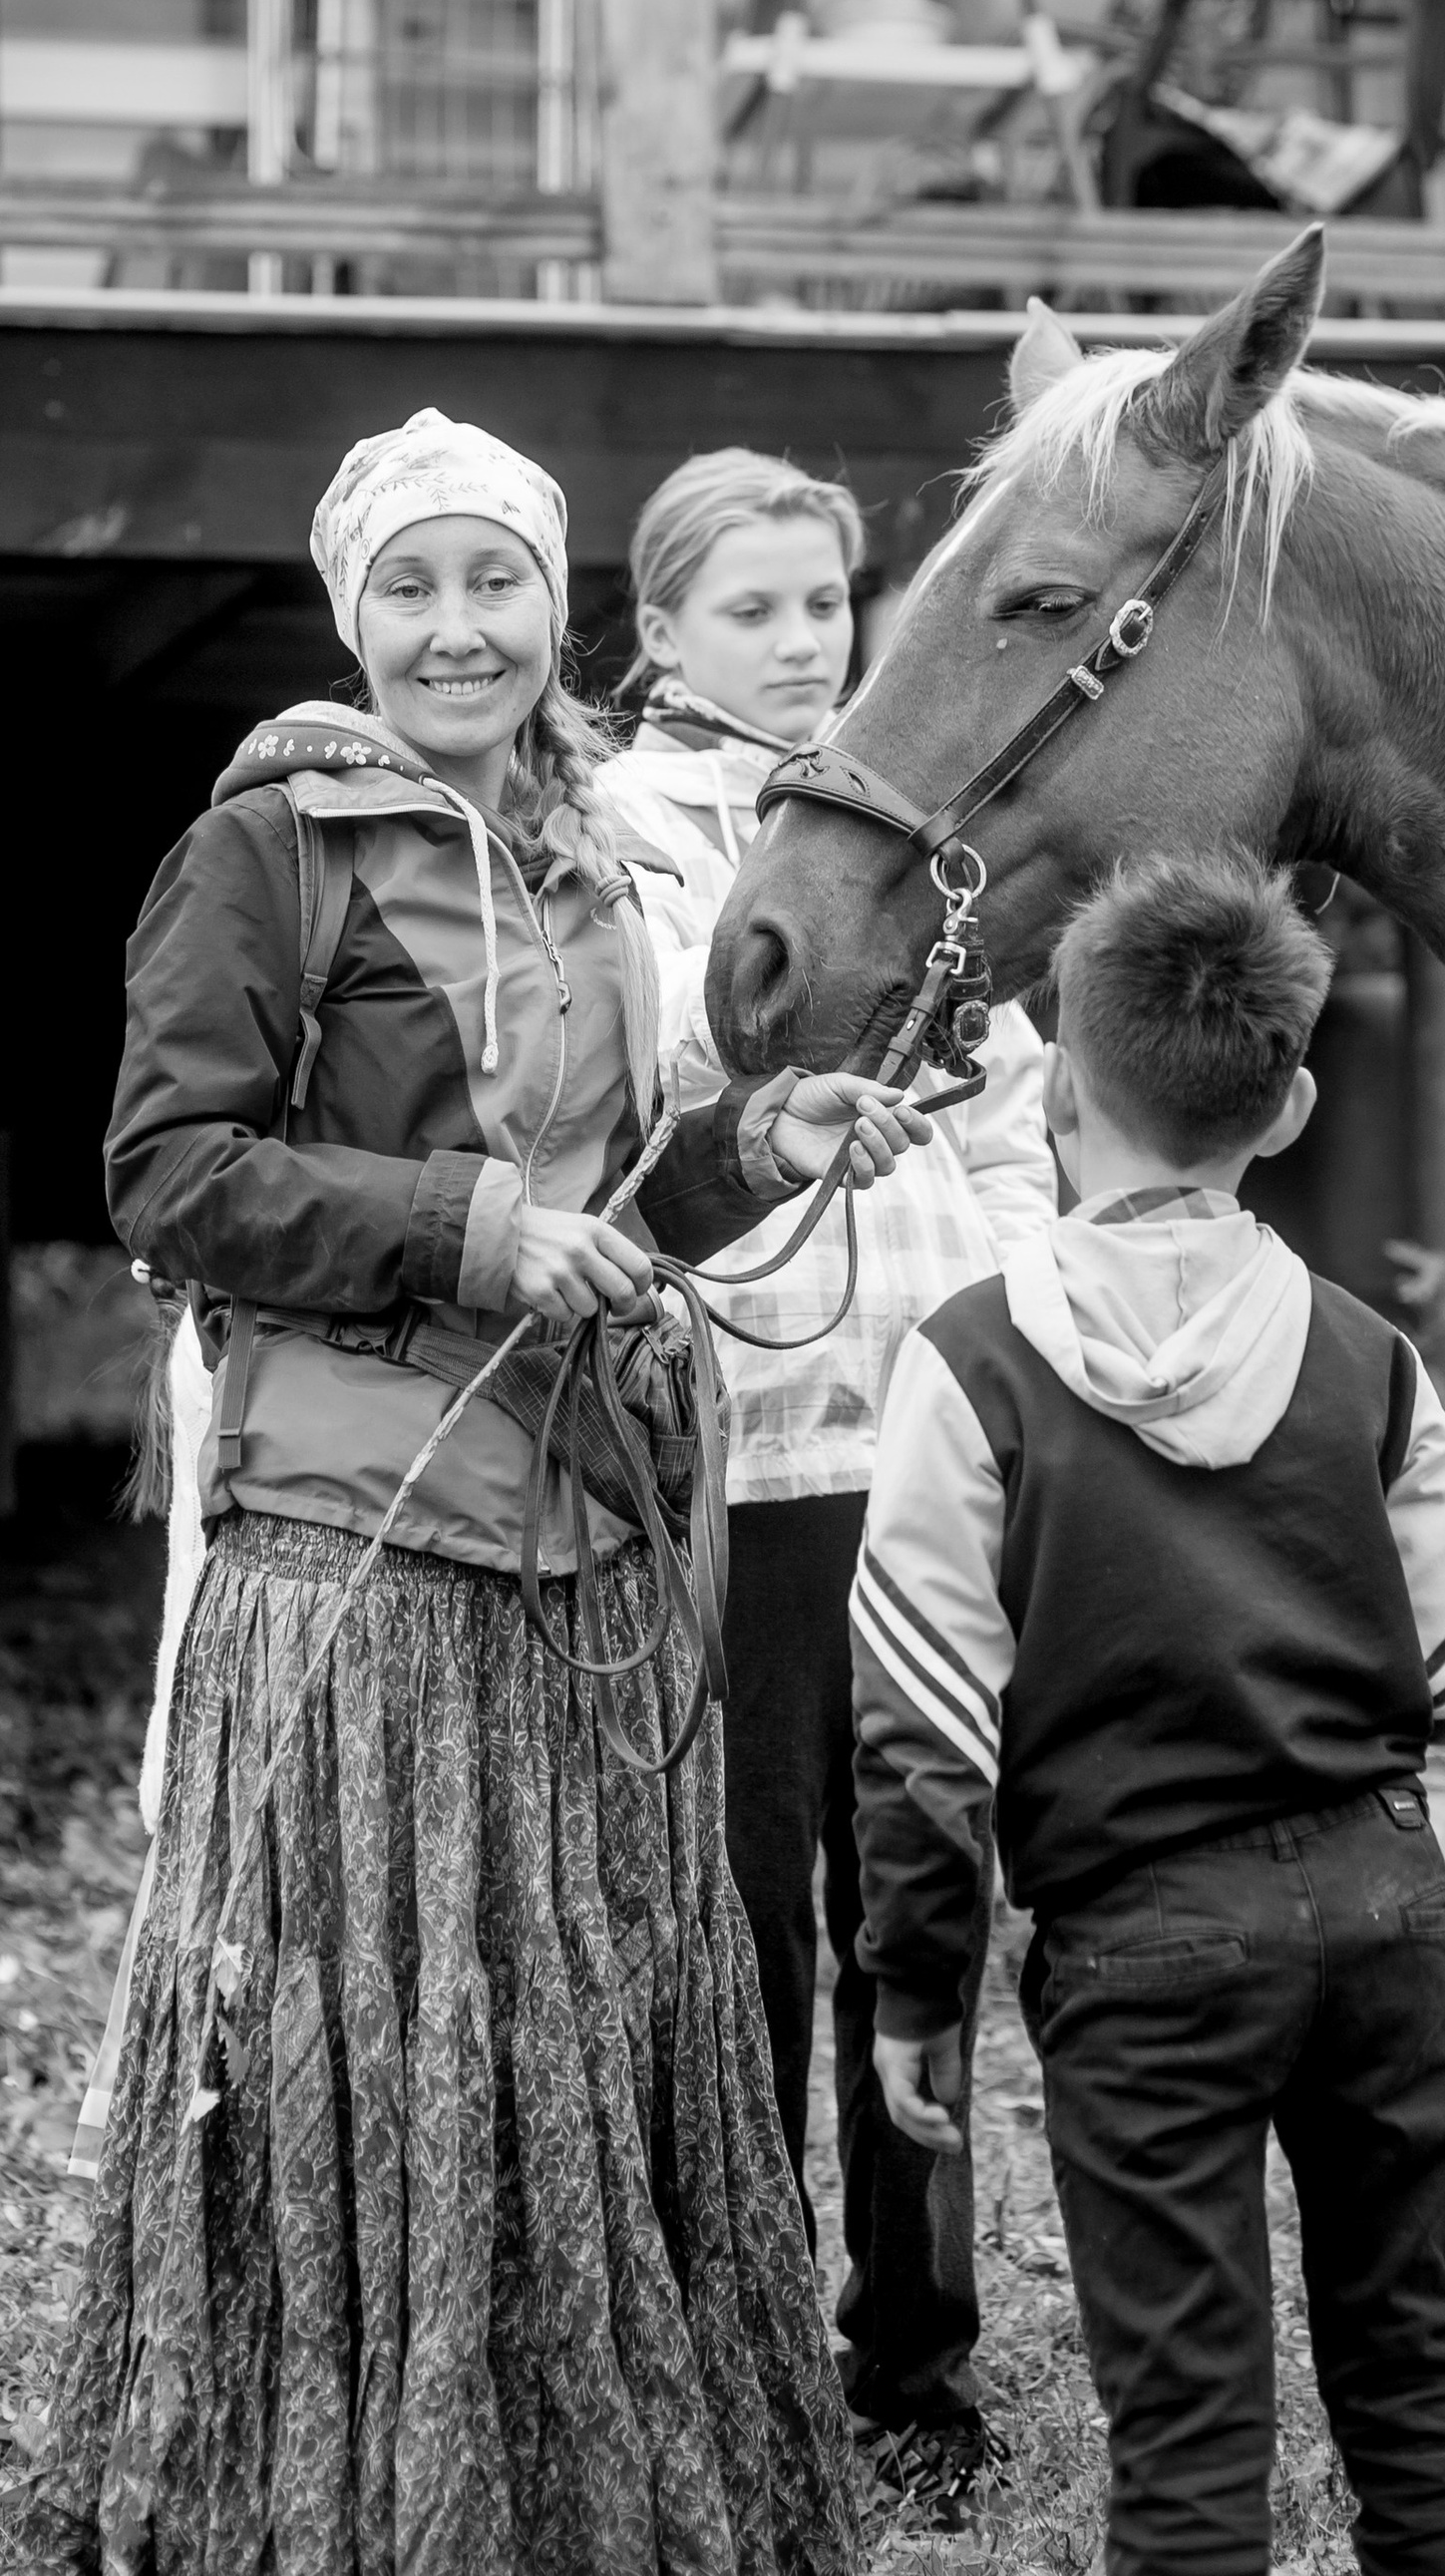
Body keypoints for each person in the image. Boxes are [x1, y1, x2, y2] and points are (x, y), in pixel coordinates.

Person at [50, 408, 935, 2576]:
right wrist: (464, 1227)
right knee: (377, 2032)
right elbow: (168, 1176)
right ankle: (334, 2486)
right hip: (360, 1549)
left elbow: (626, 1193)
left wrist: (759, 1146)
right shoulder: (270, 844)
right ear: (356, 621)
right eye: (411, 591)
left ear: (561, 610)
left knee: (578, 2016)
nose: (457, 629)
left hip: (594, 1548)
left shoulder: (597, 861)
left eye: (495, 583)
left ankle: (567, 2474)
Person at [853, 852, 1445, 2576]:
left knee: (1189, 2433)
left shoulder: (969, 1361)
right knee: (1427, 2388)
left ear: (1058, 1084)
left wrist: (919, 1985)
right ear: (1291, 1104)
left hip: (1140, 1940)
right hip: (1386, 1911)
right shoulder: (1371, 1354)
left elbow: (923, 1727)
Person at [595, 450, 1057, 2512]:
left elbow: (1030, 1117)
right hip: (741, 1451)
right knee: (741, 1924)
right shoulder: (613, 841)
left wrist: (1019, 1325)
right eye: (755, 609)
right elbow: (629, 1111)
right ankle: (742, 2342)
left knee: (916, 1911)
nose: (801, 645)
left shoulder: (929, 829)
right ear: (659, 626)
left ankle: (917, 2370)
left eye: (823, 602)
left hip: (928, 1446)